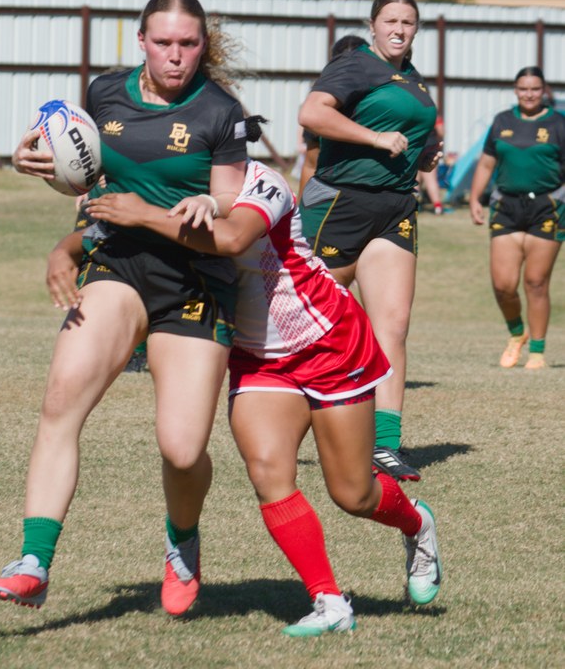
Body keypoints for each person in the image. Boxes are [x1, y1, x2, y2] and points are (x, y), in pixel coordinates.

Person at [78, 153, 442, 636]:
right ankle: (329, 602)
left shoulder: (260, 181)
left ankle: (417, 526)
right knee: (269, 473)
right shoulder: (160, 184)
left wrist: (142, 213)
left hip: (327, 340)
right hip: (255, 356)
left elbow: (231, 237)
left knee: (353, 494)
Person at [0, 0, 250, 616]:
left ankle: (182, 541)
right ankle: (33, 560)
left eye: (189, 44)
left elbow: (232, 218)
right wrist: (32, 161)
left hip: (196, 281)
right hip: (119, 267)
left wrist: (190, 207)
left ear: (203, 44)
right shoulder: (104, 94)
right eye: (164, 43)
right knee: (61, 400)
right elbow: (80, 174)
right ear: (141, 42)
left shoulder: (221, 112)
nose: (177, 56)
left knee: (182, 449)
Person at [297, 0, 441, 483]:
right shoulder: (355, 65)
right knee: (313, 322)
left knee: (392, 328)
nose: (399, 29)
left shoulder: (412, 78)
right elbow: (312, 114)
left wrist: (425, 154)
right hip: (341, 203)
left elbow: (413, 127)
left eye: (408, 21)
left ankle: (384, 444)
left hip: (396, 207)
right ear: (374, 25)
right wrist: (375, 138)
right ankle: (284, 425)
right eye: (390, 20)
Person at [469, 66, 565, 370]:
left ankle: (537, 351)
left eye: (535, 89)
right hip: (507, 207)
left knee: (536, 282)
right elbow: (486, 164)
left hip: (548, 207)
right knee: (503, 285)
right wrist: (474, 198)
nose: (529, 94)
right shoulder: (502, 121)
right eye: (523, 88)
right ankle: (516, 333)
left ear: (544, 91)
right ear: (515, 90)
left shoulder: (558, 124)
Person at [296, 35, 368, 202]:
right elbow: (311, 163)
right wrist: (299, 213)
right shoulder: (320, 104)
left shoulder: (382, 97)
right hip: (334, 194)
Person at [416, 114, 445, 215]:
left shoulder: (414, 112)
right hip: (429, 147)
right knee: (431, 179)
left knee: (415, 179)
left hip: (416, 146)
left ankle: (415, 205)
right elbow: (441, 131)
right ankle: (437, 206)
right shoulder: (434, 115)